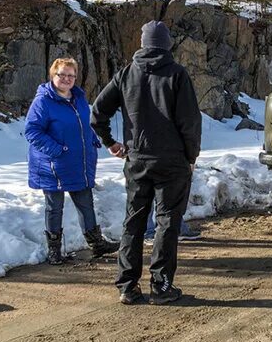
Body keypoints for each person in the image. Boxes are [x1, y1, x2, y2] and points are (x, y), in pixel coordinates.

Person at [92, 21, 201, 305]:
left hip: (137, 158)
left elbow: (98, 112)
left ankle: (127, 286)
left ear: (143, 43)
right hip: (171, 161)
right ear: (167, 44)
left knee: (134, 221)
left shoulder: (127, 74)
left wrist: (111, 142)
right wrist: (191, 157)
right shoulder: (177, 75)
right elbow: (190, 122)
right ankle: (162, 286)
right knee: (167, 223)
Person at [25, 58, 119, 265]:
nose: (66, 79)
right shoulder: (43, 101)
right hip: (53, 165)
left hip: (79, 162)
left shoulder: (79, 99)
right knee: (54, 207)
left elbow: (86, 125)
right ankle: (54, 251)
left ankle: (96, 244)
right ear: (53, 75)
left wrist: (93, 140)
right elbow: (32, 131)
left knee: (86, 203)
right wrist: (57, 150)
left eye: (71, 75)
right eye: (62, 74)